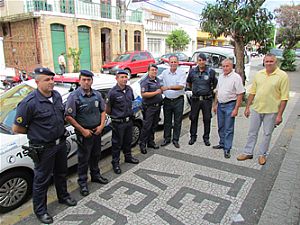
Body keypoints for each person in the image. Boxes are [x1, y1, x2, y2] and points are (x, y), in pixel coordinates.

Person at [12, 67, 77, 224]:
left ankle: (63, 197)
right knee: (42, 180)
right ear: (37, 81)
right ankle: (41, 211)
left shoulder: (55, 96)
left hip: (60, 144)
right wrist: (38, 134)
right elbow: (17, 128)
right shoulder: (29, 103)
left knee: (61, 173)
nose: (51, 82)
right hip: (44, 148)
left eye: (52, 79)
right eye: (47, 80)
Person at [237, 54, 289, 165]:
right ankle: (248, 152)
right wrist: (247, 107)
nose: (269, 63)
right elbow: (252, 92)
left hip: (272, 111)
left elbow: (284, 98)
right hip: (256, 109)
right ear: (264, 62)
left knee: (267, 134)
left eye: (271, 61)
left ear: (276, 62)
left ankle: (262, 154)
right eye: (267, 61)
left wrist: (280, 115)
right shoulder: (259, 74)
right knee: (252, 132)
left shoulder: (282, 76)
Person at [65, 70, 108, 197]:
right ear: (79, 81)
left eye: (89, 80)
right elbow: (68, 116)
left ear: (92, 81)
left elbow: (103, 111)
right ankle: (83, 182)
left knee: (96, 155)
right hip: (84, 133)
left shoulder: (97, 94)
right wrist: (83, 130)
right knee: (83, 159)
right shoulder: (74, 96)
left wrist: (101, 126)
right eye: (84, 79)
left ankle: (95, 175)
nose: (86, 82)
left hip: (97, 131)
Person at [106, 70, 139, 174]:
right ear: (117, 78)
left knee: (128, 141)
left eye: (126, 77)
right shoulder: (112, 92)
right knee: (117, 144)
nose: (124, 79)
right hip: (118, 123)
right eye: (122, 77)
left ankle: (128, 157)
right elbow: (108, 109)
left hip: (128, 121)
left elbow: (132, 102)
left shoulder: (129, 89)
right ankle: (115, 163)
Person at [212, 59, 244, 158]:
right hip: (220, 105)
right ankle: (222, 143)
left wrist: (236, 109)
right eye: (223, 66)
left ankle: (227, 148)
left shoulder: (236, 77)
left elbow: (240, 94)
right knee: (221, 126)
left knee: (228, 128)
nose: (225, 68)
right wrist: (215, 104)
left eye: (227, 66)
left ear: (231, 66)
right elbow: (217, 91)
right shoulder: (221, 77)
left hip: (230, 105)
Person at [186, 53, 218, 146]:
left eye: (203, 60)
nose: (201, 62)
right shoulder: (192, 71)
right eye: (199, 60)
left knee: (207, 119)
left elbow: (215, 84)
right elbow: (189, 83)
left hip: (206, 100)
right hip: (195, 99)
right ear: (197, 61)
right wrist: (195, 90)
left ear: (205, 61)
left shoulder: (211, 72)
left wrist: (208, 91)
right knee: (193, 118)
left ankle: (206, 138)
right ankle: (193, 137)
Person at [159, 55, 186, 148]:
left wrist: (168, 87)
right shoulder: (165, 72)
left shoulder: (181, 73)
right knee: (167, 121)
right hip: (167, 100)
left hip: (178, 100)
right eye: (172, 62)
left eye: (175, 62)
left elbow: (181, 86)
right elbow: (157, 80)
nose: (173, 64)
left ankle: (175, 140)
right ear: (169, 63)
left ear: (178, 63)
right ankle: (167, 138)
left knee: (177, 121)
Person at [139, 64, 163, 154]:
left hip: (157, 107)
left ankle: (151, 142)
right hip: (149, 107)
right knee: (146, 127)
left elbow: (160, 89)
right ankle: (142, 144)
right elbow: (144, 94)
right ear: (148, 71)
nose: (154, 71)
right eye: (152, 70)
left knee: (154, 126)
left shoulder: (157, 80)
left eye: (156, 70)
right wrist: (156, 92)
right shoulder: (145, 81)